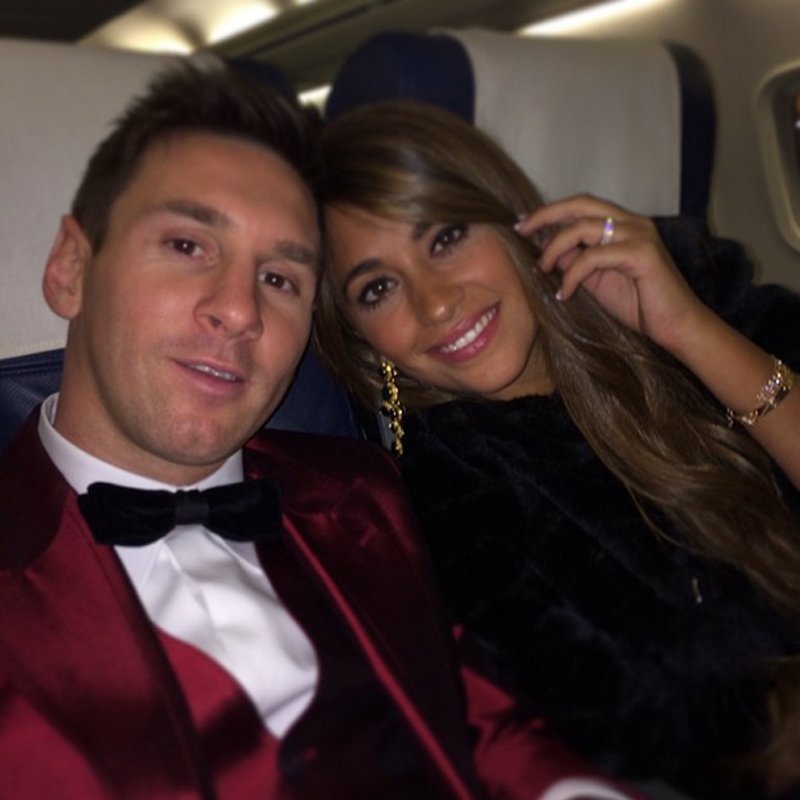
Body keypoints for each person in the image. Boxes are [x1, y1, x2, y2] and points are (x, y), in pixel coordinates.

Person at [0, 63, 642, 800]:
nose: (239, 311)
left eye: (279, 279)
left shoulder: (362, 492)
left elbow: (477, 724)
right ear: (71, 268)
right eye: (187, 246)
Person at [312, 99, 800, 799]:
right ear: (361, 337)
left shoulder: (679, 279)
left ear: (513, 218)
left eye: (447, 237)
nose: (436, 303)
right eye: (378, 287)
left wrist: (688, 331)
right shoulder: (447, 503)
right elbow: (645, 730)